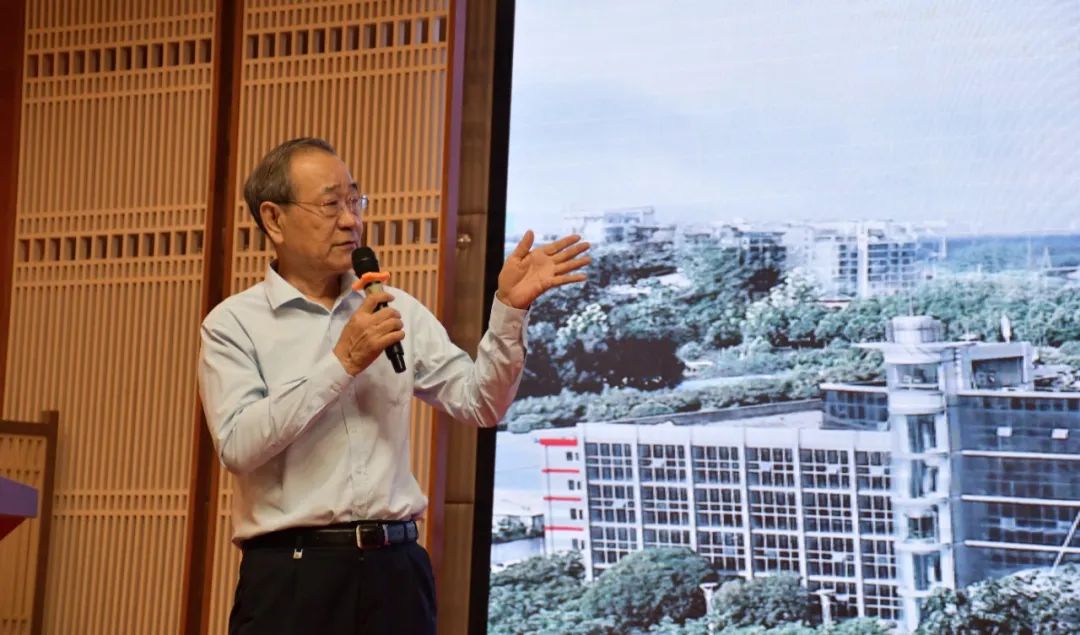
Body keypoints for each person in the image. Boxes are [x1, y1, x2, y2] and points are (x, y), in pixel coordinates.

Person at [197, 137, 590, 634]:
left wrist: (510, 309)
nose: (351, 220)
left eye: (354, 201)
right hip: (293, 576)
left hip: (397, 570)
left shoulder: (393, 307)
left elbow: (481, 404)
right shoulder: (233, 324)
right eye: (331, 204)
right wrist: (342, 363)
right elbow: (238, 445)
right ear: (274, 219)